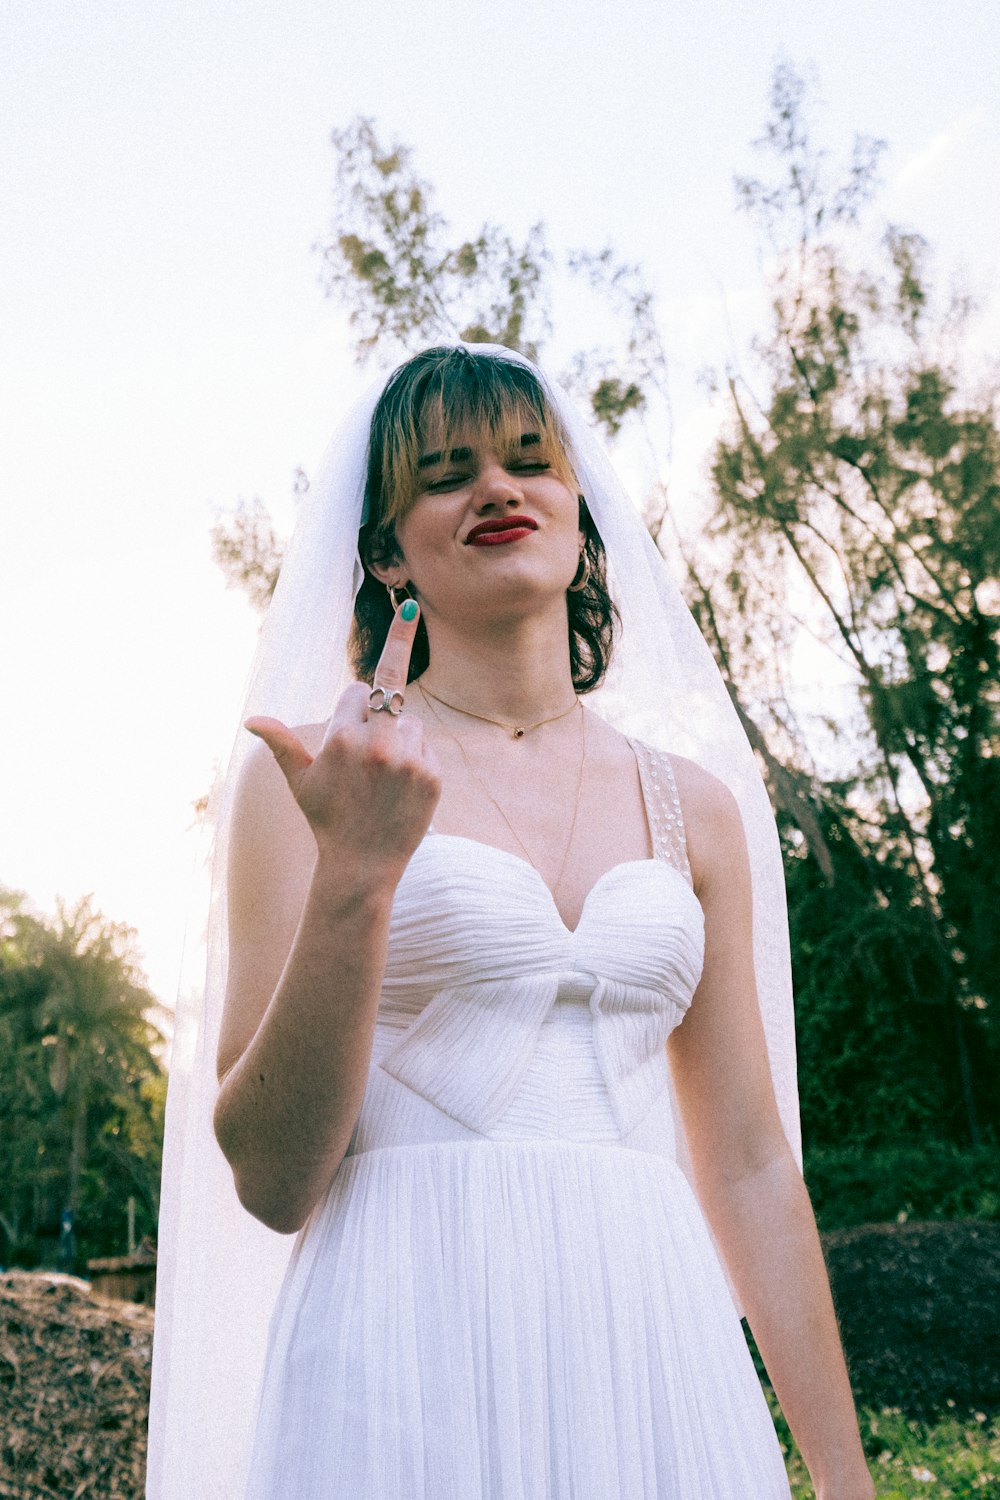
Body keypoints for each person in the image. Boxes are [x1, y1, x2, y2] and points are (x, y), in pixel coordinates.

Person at [146, 344, 874, 1499]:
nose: (496, 487)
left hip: (654, 1351)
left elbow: (744, 1164)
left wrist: (841, 1475)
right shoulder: (313, 785)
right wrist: (356, 871)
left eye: (529, 460)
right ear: (386, 550)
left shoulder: (696, 811)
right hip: (398, 1351)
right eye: (444, 472)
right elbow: (275, 1181)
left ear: (579, 512)